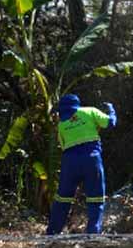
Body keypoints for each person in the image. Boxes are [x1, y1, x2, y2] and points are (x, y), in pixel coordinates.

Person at [48, 94, 117, 235]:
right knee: (95, 198)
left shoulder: (61, 124)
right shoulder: (90, 111)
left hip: (69, 162)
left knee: (63, 198)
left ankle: (52, 233)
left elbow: (63, 145)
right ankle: (92, 233)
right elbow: (110, 123)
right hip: (91, 159)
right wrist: (111, 110)